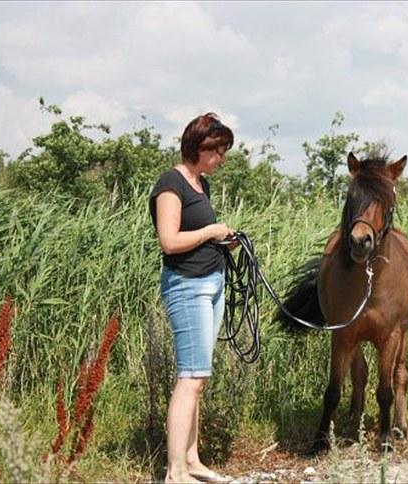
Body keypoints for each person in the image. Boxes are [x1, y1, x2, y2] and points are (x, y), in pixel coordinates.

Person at [149, 112, 236, 483]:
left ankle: (192, 460)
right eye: (217, 152)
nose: (222, 159)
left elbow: (197, 234)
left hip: (210, 283)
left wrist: (222, 240)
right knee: (190, 378)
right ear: (199, 148)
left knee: (198, 377)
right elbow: (169, 242)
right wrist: (210, 231)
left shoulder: (200, 183)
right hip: (188, 287)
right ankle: (175, 472)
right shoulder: (171, 184)